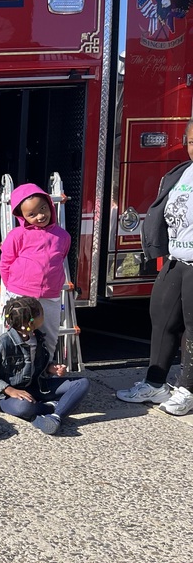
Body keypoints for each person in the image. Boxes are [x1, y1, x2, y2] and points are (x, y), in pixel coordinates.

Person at [116, 118, 193, 415]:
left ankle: (187, 388)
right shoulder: (179, 173)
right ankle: (155, 383)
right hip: (176, 260)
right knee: (162, 320)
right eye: (190, 141)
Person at [0, 295, 90, 435]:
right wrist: (9, 389)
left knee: (82, 383)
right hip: (9, 396)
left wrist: (50, 368)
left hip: (37, 387)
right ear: (30, 322)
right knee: (24, 407)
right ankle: (53, 408)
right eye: (41, 313)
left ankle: (55, 416)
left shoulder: (38, 337)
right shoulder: (0, 344)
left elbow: (38, 365)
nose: (44, 315)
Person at [0, 183, 70, 358]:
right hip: (20, 294)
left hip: (50, 296)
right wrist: (14, 288)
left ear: (50, 205)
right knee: (18, 334)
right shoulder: (17, 235)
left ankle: (44, 372)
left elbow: (61, 258)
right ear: (22, 216)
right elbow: (5, 264)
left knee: (49, 336)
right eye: (31, 214)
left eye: (43, 208)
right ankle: (13, 373)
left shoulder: (63, 236)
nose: (40, 216)